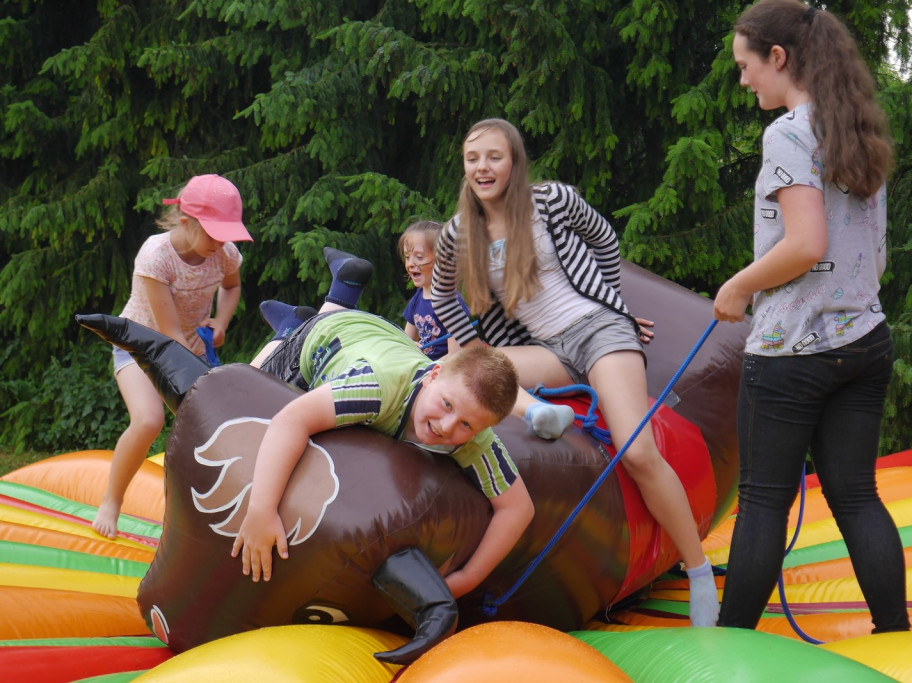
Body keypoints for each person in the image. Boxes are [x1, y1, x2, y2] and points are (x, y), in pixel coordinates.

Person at [430, 118, 720, 627]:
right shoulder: (459, 232)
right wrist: (475, 345)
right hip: (544, 348)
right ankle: (539, 411)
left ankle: (697, 570)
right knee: (466, 371)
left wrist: (614, 304)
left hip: (598, 331)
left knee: (637, 450)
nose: (483, 168)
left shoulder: (551, 201)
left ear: (514, 161)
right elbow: (440, 293)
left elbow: (604, 239)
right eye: (473, 159)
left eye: (494, 157)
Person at [713, 0, 910, 633]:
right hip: (864, 340)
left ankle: (727, 648)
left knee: (765, 501)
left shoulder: (790, 132)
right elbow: (874, 258)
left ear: (779, 58)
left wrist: (738, 287)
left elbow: (805, 245)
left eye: (747, 66)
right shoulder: (854, 126)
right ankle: (896, 636)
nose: (744, 80)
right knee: (856, 495)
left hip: (792, 351)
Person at [235, 283, 534, 600]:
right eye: (446, 404)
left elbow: (518, 508)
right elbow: (292, 419)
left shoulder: (474, 435)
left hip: (381, 340)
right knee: (259, 390)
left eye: (466, 424)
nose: (447, 427)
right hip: (325, 339)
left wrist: (467, 578)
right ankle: (291, 324)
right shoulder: (377, 388)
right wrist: (261, 510)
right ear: (433, 374)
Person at [92, 174, 251, 539]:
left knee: (206, 435)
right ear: (186, 223)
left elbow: (232, 285)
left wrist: (221, 321)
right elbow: (170, 335)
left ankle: (197, 519)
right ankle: (111, 501)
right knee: (148, 421)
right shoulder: (156, 256)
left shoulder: (223, 252)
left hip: (189, 349)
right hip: (140, 345)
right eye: (214, 232)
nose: (222, 241)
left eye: (227, 232)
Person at [399, 220, 469, 360]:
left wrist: (426, 367)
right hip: (424, 367)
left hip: (444, 373)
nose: (410, 263)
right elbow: (405, 341)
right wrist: (410, 347)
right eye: (407, 257)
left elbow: (455, 356)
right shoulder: (418, 298)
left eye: (419, 257)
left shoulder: (451, 302)